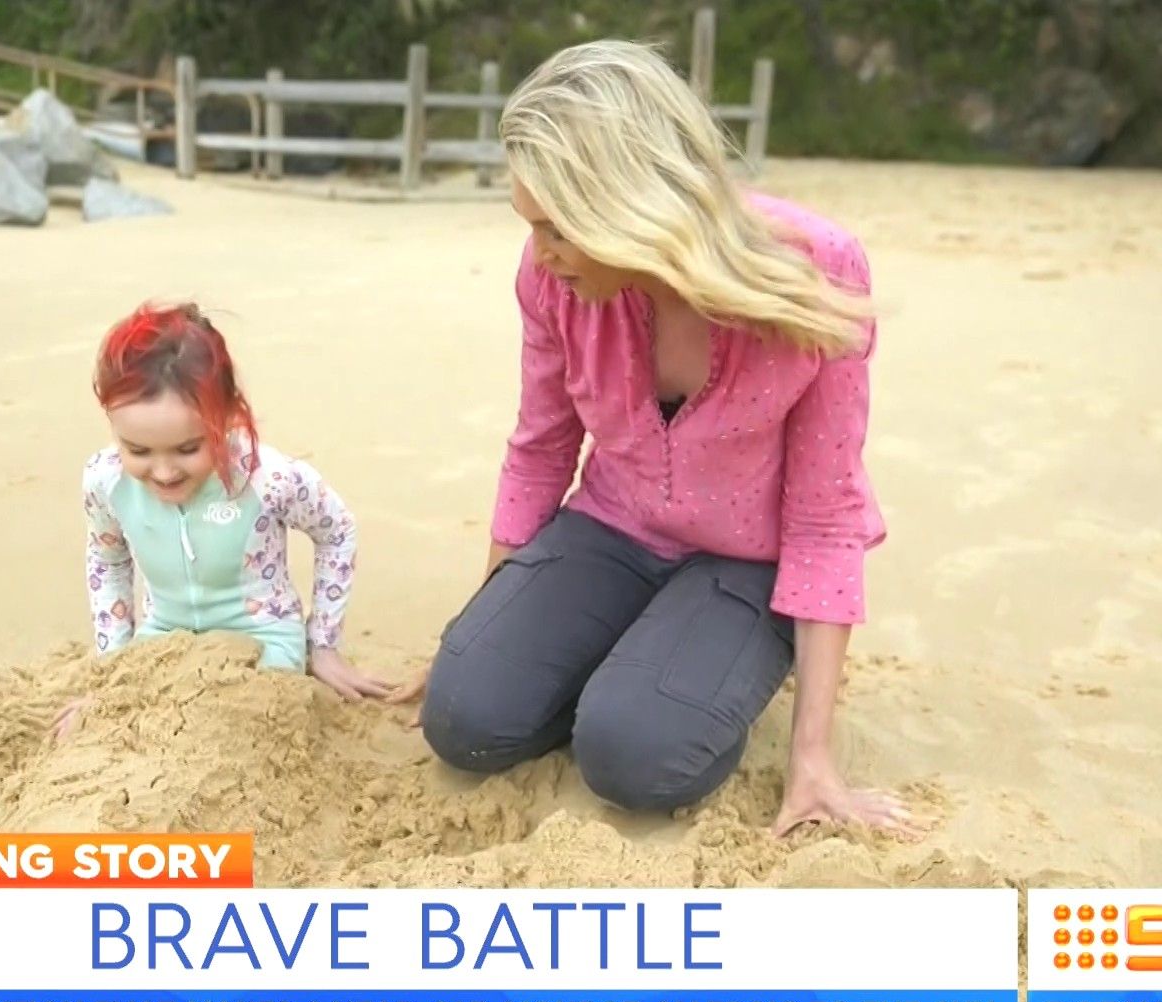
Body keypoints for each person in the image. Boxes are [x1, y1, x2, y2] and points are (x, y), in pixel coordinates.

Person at [391, 41, 916, 838]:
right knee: (463, 717)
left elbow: (825, 513)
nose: (540, 257)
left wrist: (814, 757)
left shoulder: (819, 269)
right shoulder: (551, 283)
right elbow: (540, 449)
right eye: (530, 226)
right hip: (611, 528)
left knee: (634, 757)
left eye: (557, 228)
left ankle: (681, 673)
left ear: (629, 205)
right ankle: (641, 664)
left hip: (746, 562)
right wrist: (480, 630)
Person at [55, 301, 391, 741]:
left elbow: (337, 530)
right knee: (124, 730)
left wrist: (323, 644)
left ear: (229, 415)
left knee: (228, 731)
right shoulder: (106, 481)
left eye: (188, 449)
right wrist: (112, 672)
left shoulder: (269, 478)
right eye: (138, 450)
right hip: (163, 637)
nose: (164, 472)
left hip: (263, 640)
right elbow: (107, 559)